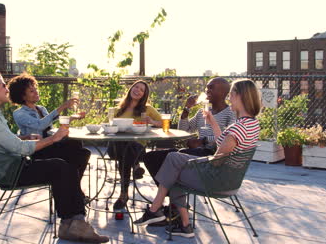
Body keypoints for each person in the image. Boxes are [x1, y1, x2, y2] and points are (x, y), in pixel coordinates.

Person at [0, 71, 109, 243]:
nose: (7, 89)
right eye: (3, 85)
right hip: (12, 172)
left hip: (13, 166)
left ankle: (71, 224)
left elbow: (5, 141)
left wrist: (25, 137)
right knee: (61, 167)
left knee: (67, 162)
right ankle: (74, 224)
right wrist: (53, 138)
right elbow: (19, 149)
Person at [134, 79, 261, 239]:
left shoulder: (237, 127)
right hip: (230, 179)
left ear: (239, 96)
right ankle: (181, 224)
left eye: (231, 95)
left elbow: (217, 160)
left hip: (216, 180)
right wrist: (213, 122)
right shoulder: (251, 124)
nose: (229, 98)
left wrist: (189, 160)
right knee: (174, 163)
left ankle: (156, 211)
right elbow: (224, 142)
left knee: (173, 163)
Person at [142, 77, 236, 186]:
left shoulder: (230, 112)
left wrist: (203, 141)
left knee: (170, 158)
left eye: (211, 88)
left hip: (212, 155)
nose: (207, 91)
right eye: (206, 88)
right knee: (150, 157)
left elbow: (228, 138)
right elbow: (184, 130)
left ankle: (172, 193)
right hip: (196, 152)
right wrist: (186, 109)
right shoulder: (202, 112)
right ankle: (170, 192)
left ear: (223, 92)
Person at [8, 73, 90, 189]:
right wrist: (63, 106)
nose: (36, 92)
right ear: (23, 96)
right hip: (39, 150)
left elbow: (51, 122)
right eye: (31, 91)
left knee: (80, 149)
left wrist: (74, 117)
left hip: (51, 145)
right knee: (77, 154)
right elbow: (40, 125)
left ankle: (71, 188)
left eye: (35, 89)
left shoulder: (41, 108)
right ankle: (73, 190)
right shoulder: (19, 113)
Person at [108, 80, 162, 210]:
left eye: (141, 90)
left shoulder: (147, 109)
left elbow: (164, 122)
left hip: (136, 148)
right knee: (124, 146)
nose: (137, 90)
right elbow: (108, 125)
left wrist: (152, 121)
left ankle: (123, 195)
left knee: (126, 154)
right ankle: (136, 165)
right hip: (114, 147)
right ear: (131, 89)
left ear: (144, 95)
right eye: (136, 87)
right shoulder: (118, 109)